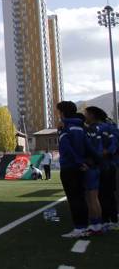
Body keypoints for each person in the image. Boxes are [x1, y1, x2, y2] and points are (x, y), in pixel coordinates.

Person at [56, 101, 90, 238]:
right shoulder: (81, 127)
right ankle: (84, 226)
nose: (58, 115)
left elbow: (67, 148)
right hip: (81, 167)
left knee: (74, 198)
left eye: (59, 112)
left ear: (63, 113)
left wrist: (79, 162)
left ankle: (79, 228)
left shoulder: (65, 127)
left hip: (70, 167)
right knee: (81, 197)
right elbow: (88, 146)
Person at [85, 106, 118, 231]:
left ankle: (109, 220)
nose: (85, 117)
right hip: (104, 165)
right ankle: (108, 220)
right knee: (104, 194)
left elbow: (114, 143)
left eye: (86, 114)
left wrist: (107, 152)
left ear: (92, 115)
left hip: (105, 165)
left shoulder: (103, 127)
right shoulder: (102, 127)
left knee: (104, 194)